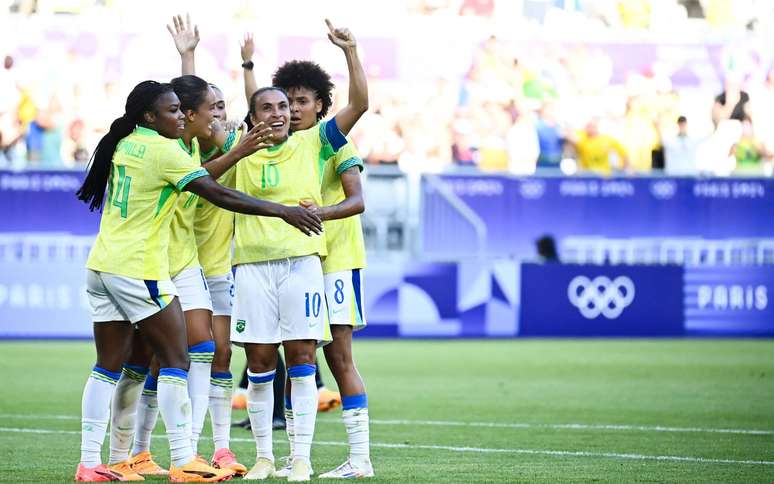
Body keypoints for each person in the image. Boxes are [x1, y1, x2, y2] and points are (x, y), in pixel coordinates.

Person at [74, 80, 318, 482]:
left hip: (102, 265)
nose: (181, 118)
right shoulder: (164, 151)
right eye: (172, 112)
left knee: (108, 367)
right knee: (177, 358)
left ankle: (90, 464)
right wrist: (283, 211)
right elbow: (217, 193)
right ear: (151, 116)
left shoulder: (126, 142)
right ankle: (184, 459)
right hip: (140, 269)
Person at [229, 19, 368, 482]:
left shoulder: (324, 140)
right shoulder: (242, 145)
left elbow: (359, 106)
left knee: (325, 358)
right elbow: (254, 104)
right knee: (262, 362)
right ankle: (270, 457)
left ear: (312, 108)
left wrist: (350, 50)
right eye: (276, 105)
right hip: (255, 266)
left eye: (293, 103)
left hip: (325, 260)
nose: (284, 110)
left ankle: (331, 457)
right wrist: (247, 66)